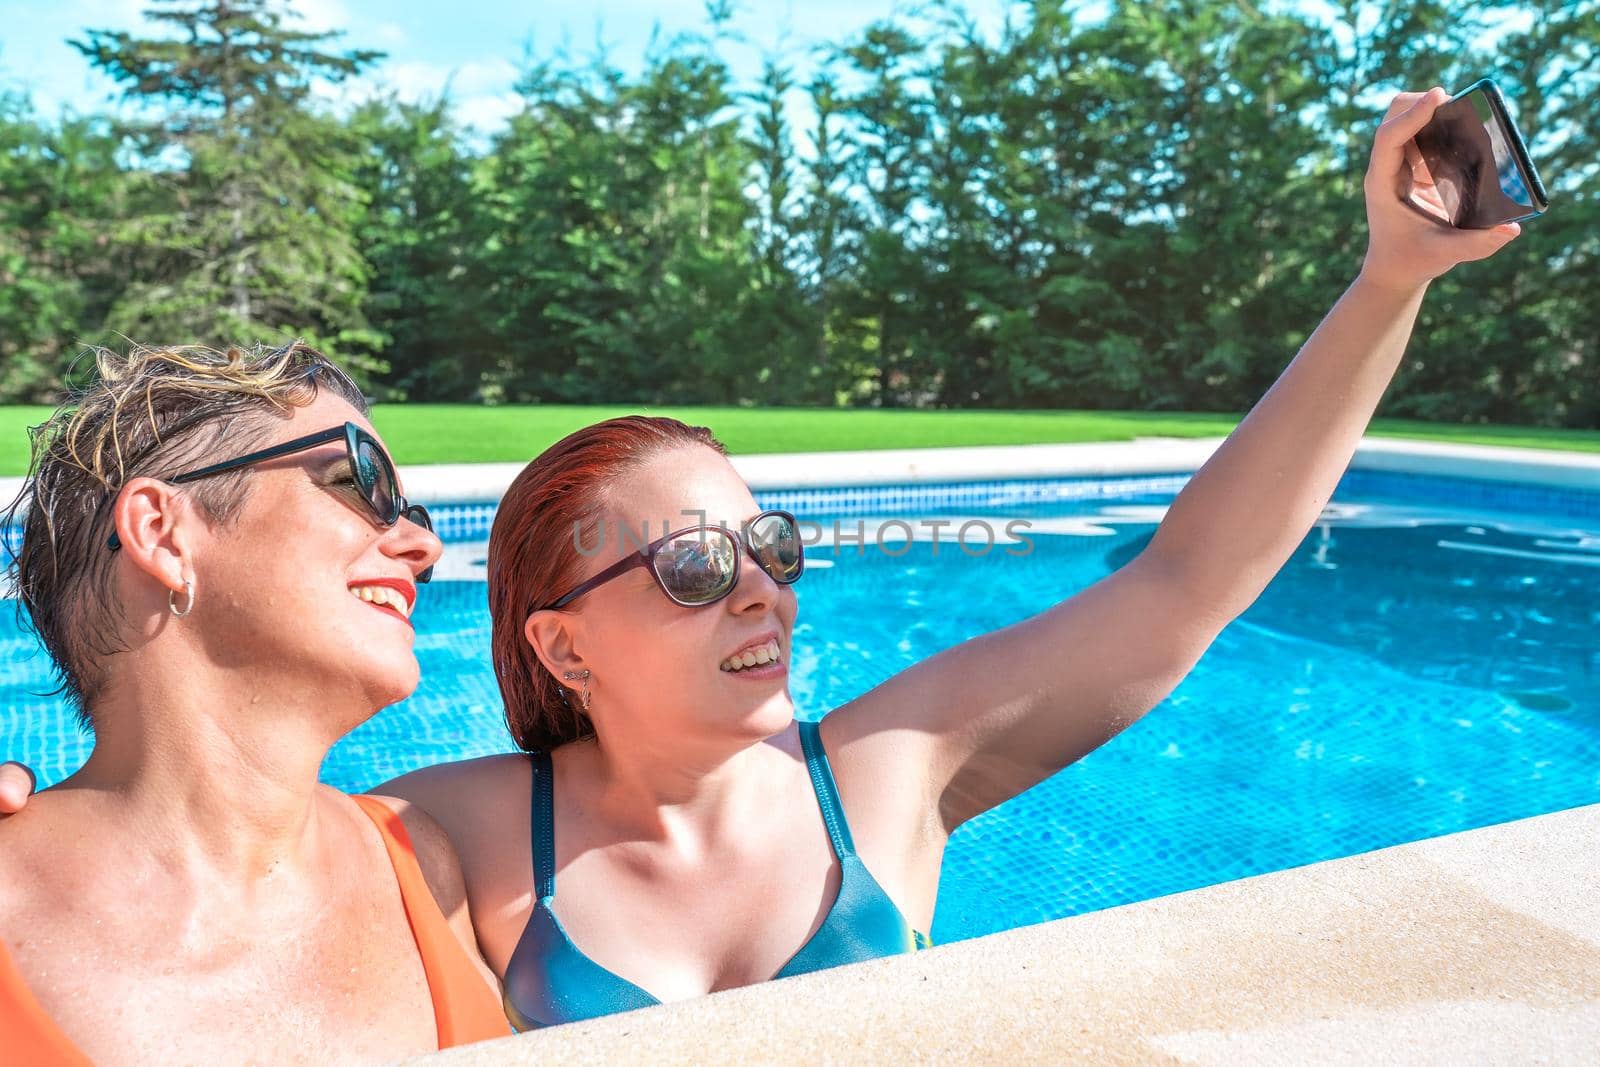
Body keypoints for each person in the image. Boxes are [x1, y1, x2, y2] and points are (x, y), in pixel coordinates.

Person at [1, 88, 1522, 1033]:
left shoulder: (882, 777)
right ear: (560, 645)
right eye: (688, 561)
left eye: (770, 545)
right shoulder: (442, 838)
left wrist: (1393, 278)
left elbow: (1184, 581)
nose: (760, 585)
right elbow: (196, 831)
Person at [0, 343, 509, 1065]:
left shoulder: (419, 857)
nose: (421, 543)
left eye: (412, 510)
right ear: (162, 533)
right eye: (360, 480)